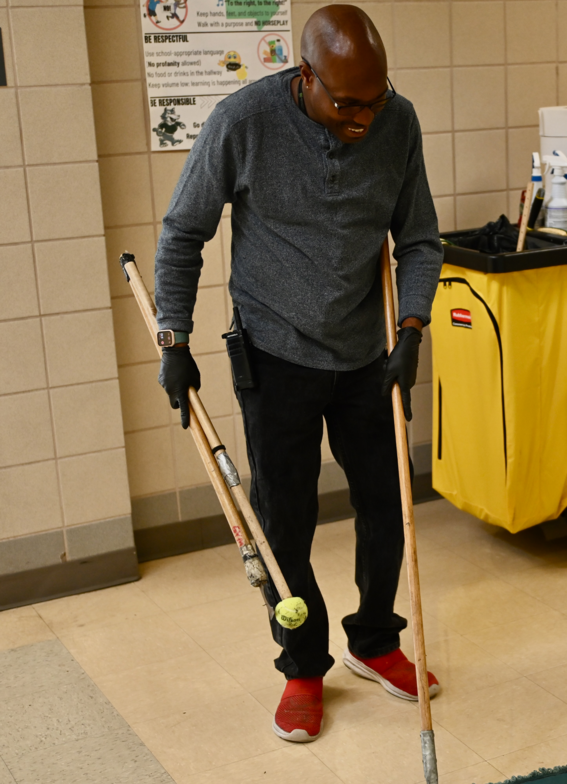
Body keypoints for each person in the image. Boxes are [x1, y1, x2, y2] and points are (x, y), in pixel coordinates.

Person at [154, 4, 443, 743]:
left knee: (388, 510)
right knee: (287, 521)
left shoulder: (396, 122)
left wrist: (411, 329)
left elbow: (418, 240)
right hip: (272, 354)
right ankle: (303, 665)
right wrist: (173, 337)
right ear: (304, 76)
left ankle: (374, 641)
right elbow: (185, 230)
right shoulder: (243, 121)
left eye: (375, 100)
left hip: (365, 353)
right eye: (347, 103)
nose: (364, 118)